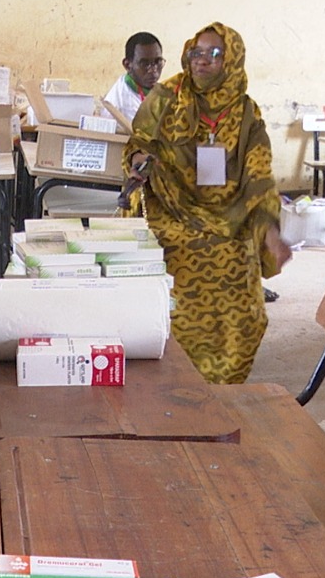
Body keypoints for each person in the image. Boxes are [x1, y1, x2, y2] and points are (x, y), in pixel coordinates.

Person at [123, 23, 291, 385]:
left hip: (229, 218)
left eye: (214, 53)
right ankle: (172, 377)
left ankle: (221, 383)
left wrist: (269, 230)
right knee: (175, 260)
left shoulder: (247, 113)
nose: (202, 61)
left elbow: (259, 175)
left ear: (231, 60)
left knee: (239, 274)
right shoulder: (168, 95)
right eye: (196, 52)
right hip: (171, 210)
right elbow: (140, 141)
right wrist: (139, 158)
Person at [103, 32, 164, 121]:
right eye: (145, 63)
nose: (153, 70)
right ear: (128, 65)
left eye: (158, 61)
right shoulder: (122, 104)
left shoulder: (153, 90)